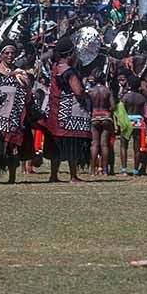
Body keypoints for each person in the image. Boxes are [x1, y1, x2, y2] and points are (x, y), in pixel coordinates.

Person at [44, 36, 90, 183]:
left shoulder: (55, 68)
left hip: (55, 112)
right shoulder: (69, 71)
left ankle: (53, 175)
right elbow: (78, 91)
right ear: (70, 55)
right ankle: (73, 176)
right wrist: (87, 93)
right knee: (72, 145)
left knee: (56, 145)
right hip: (70, 113)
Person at [0, 41, 31, 184]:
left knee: (12, 145)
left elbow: (27, 90)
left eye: (12, 53)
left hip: (14, 114)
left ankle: (12, 177)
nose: (10, 55)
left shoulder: (20, 72)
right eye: (7, 53)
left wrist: (24, 79)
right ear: (1, 54)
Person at [86, 67, 114, 175]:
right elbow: (113, 106)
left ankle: (93, 170)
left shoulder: (90, 91)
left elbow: (87, 106)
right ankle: (105, 170)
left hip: (94, 116)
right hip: (106, 116)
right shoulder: (107, 91)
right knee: (104, 144)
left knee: (94, 144)